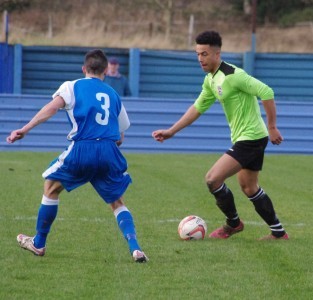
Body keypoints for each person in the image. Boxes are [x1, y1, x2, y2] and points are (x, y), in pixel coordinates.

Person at [7, 49, 148, 262]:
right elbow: (120, 137)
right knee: (117, 201)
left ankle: (38, 243)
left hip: (83, 148)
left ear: (84, 69)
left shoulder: (71, 86)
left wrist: (25, 129)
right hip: (110, 151)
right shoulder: (113, 94)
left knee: (51, 187)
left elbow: (51, 108)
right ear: (105, 71)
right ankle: (136, 248)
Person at [152, 30, 289, 240]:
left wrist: (272, 127)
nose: (200, 59)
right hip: (246, 138)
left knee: (212, 179)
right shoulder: (210, 80)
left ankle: (233, 224)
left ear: (217, 54)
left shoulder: (234, 75)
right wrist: (171, 131)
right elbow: (197, 107)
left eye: (204, 54)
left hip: (251, 138)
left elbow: (267, 91)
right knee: (249, 187)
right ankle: (279, 233)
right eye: (197, 54)